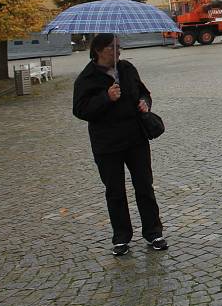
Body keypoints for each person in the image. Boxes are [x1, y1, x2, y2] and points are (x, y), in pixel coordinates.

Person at [72, 33, 167, 256]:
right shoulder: (86, 78)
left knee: (144, 186)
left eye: (118, 46)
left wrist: (145, 102)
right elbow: (80, 110)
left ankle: (154, 232)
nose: (118, 50)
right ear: (98, 50)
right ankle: (121, 237)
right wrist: (106, 97)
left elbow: (144, 92)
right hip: (107, 144)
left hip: (136, 138)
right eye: (112, 47)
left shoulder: (126, 69)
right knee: (115, 191)